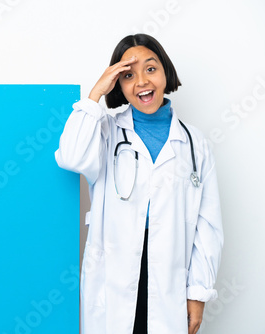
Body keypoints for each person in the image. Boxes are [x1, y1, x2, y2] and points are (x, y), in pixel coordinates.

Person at [55, 34, 223, 334]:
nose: (142, 82)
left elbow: (207, 226)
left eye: (151, 68)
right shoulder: (105, 130)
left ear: (165, 73)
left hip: (170, 278)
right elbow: (70, 157)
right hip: (113, 277)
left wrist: (198, 292)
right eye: (128, 75)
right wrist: (95, 94)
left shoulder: (194, 144)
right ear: (117, 84)